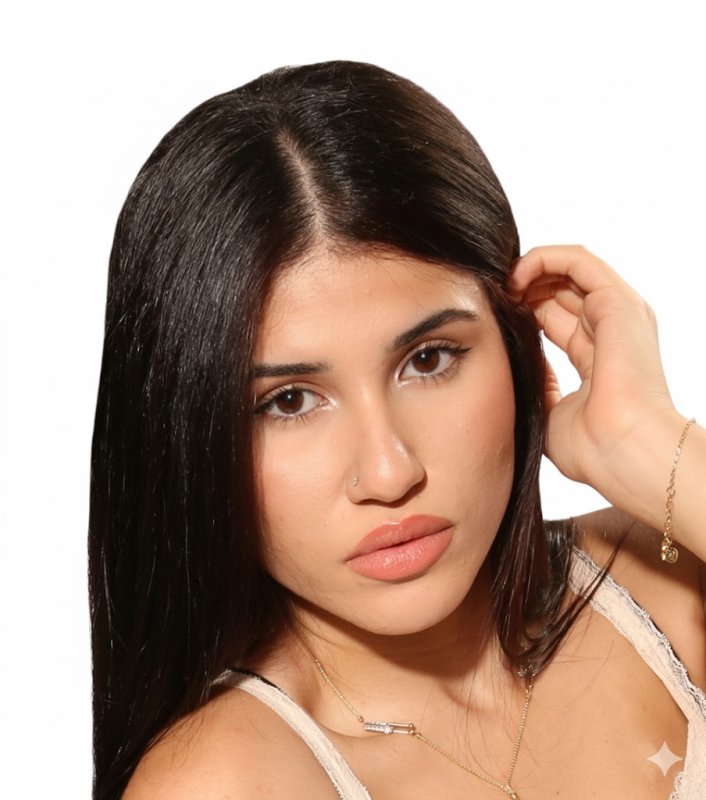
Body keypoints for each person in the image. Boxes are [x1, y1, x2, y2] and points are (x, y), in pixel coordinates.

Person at [89, 61, 706, 799]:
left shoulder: (672, 582)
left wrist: (650, 445)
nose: (389, 473)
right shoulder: (228, 783)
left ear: (517, 343)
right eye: (289, 401)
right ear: (189, 442)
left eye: (429, 359)